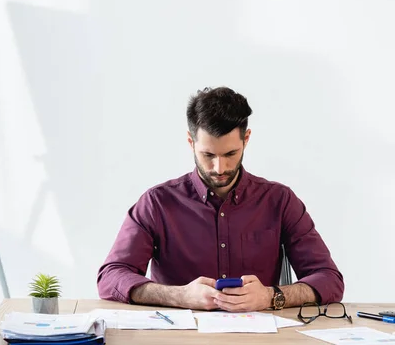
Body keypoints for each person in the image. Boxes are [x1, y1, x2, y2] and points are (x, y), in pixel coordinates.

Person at [97, 87, 344, 312]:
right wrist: (179, 296)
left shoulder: (280, 201)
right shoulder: (157, 203)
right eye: (208, 155)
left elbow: (329, 279)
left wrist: (270, 296)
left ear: (246, 139)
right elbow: (111, 276)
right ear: (190, 142)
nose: (219, 167)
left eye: (230, 153)